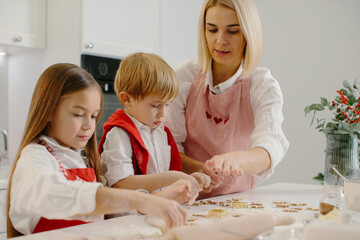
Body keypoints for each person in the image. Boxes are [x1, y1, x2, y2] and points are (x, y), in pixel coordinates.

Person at [6, 63, 188, 237]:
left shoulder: (81, 160)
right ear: (48, 111)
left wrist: (157, 199)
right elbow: (52, 193)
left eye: (94, 116)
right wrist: (140, 200)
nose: (89, 126)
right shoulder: (35, 157)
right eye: (78, 115)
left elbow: (112, 209)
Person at [165, 0, 289, 199]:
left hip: (239, 201)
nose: (220, 40)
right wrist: (201, 170)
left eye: (232, 31)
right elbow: (168, 147)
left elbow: (271, 146)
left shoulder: (263, 86)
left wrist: (238, 160)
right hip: (186, 200)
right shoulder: (182, 78)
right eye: (212, 29)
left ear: (249, 35)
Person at [98, 52, 211, 205]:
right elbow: (121, 184)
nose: (163, 114)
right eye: (156, 105)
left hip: (156, 212)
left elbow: (164, 180)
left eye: (167, 105)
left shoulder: (161, 133)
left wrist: (190, 180)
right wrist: (175, 177)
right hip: (128, 219)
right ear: (127, 99)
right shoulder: (119, 134)